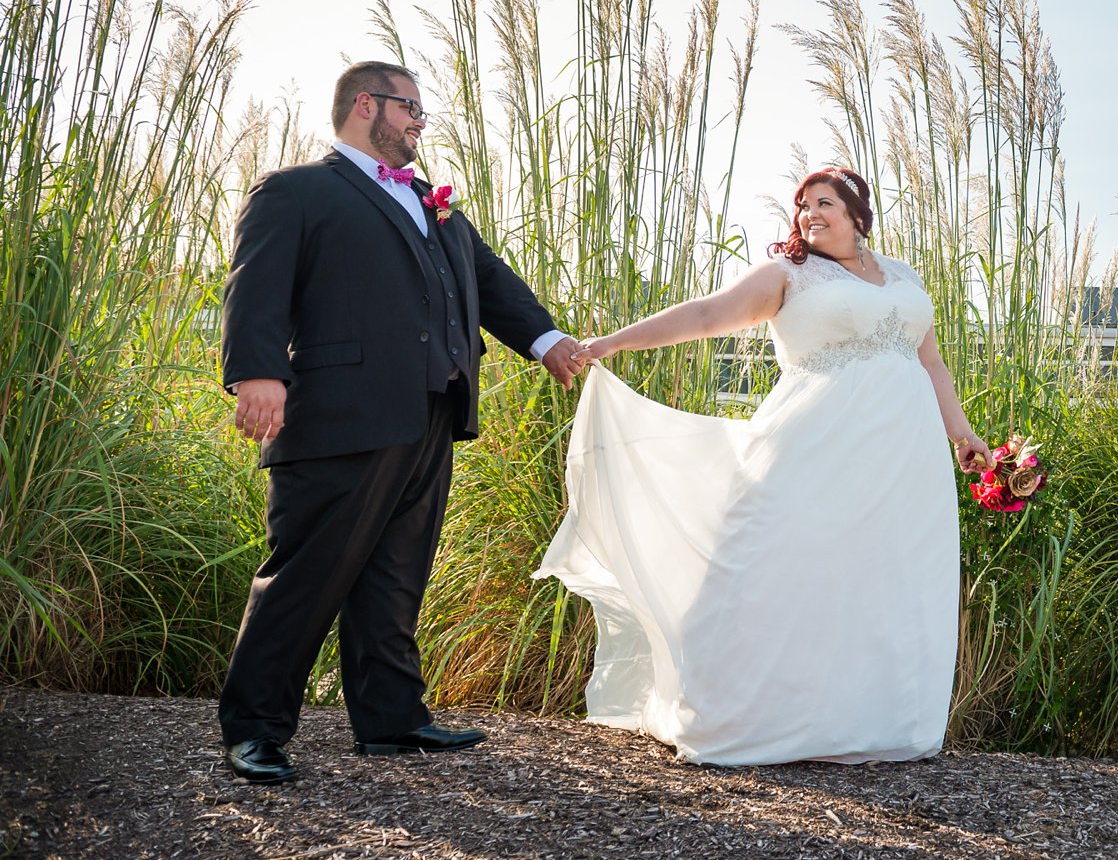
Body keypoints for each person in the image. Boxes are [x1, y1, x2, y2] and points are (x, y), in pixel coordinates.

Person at [536, 166, 988, 765]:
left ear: (857, 211)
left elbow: (932, 365)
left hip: (904, 454)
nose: (810, 215)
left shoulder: (902, 276)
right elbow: (703, 316)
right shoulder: (789, 275)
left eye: (825, 203)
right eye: (802, 207)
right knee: (770, 559)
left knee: (885, 571)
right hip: (814, 441)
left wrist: (961, 433)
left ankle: (872, 722)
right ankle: (743, 715)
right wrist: (609, 344)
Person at [218, 61, 587, 784]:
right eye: (410, 107)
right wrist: (257, 372)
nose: (421, 120)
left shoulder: (432, 201)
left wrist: (547, 341)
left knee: (394, 573)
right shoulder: (297, 190)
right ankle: (255, 727)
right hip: (338, 414)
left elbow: (489, 279)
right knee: (306, 573)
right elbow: (253, 284)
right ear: (366, 105)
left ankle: (391, 718)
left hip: (431, 409)